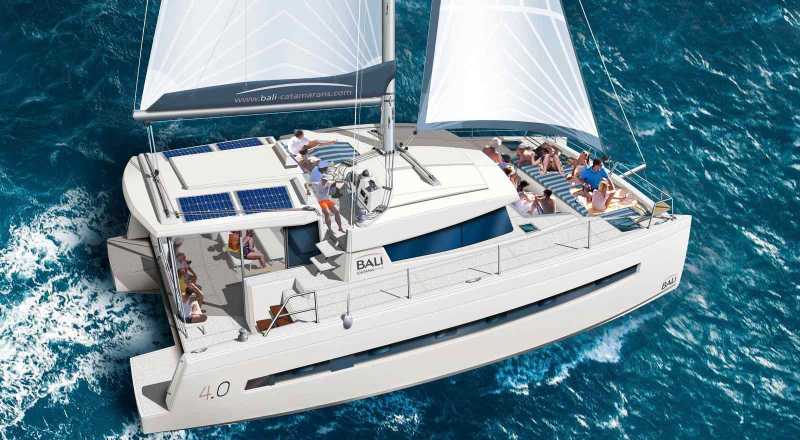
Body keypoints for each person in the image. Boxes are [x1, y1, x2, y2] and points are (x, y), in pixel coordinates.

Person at [309, 161, 345, 233]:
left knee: (337, 212)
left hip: (327, 200)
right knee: (327, 213)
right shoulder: (317, 184)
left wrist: (341, 181)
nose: (325, 181)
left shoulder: (328, 183)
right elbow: (306, 184)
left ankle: (340, 228)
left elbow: (337, 182)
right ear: (321, 179)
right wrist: (307, 190)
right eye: (324, 180)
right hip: (321, 201)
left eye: (326, 180)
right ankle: (330, 229)